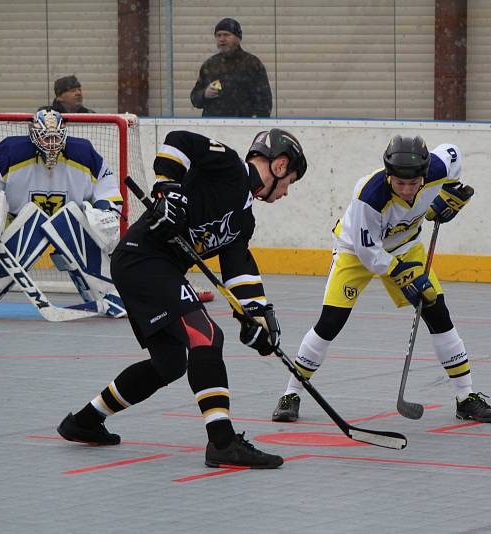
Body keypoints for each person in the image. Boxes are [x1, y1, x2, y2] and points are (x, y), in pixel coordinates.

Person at [57, 128, 308, 469]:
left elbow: (238, 268)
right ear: (279, 165)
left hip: (152, 268)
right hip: (142, 258)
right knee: (205, 335)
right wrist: (167, 188)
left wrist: (255, 315)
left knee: (169, 363)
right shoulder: (231, 167)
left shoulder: (243, 219)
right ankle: (222, 441)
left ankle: (84, 421)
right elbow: (180, 140)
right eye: (290, 180)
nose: (287, 192)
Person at [270, 135, 491, 424]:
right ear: (389, 175)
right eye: (399, 183)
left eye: (413, 183)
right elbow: (369, 253)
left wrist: (448, 196)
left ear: (425, 174)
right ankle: (291, 394)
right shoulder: (369, 197)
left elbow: (454, 153)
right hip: (355, 252)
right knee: (331, 321)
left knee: (437, 311)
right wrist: (403, 275)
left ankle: (465, 397)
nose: (406, 190)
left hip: (406, 245)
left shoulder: (439, 167)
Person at [0, 108, 124, 319]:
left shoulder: (83, 152)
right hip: (22, 223)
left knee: (72, 223)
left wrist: (105, 210)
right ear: (33, 134)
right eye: (45, 138)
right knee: (25, 230)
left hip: (70, 224)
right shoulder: (11, 150)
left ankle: (112, 295)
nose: (51, 143)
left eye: (56, 137)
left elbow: (107, 184)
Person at [190, 17, 272, 118]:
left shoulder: (252, 64)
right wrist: (204, 94)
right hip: (213, 126)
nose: (222, 39)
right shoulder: (210, 65)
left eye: (226, 35)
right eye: (218, 35)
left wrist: (256, 123)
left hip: (243, 125)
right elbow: (195, 98)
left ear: (238, 38)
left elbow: (264, 101)